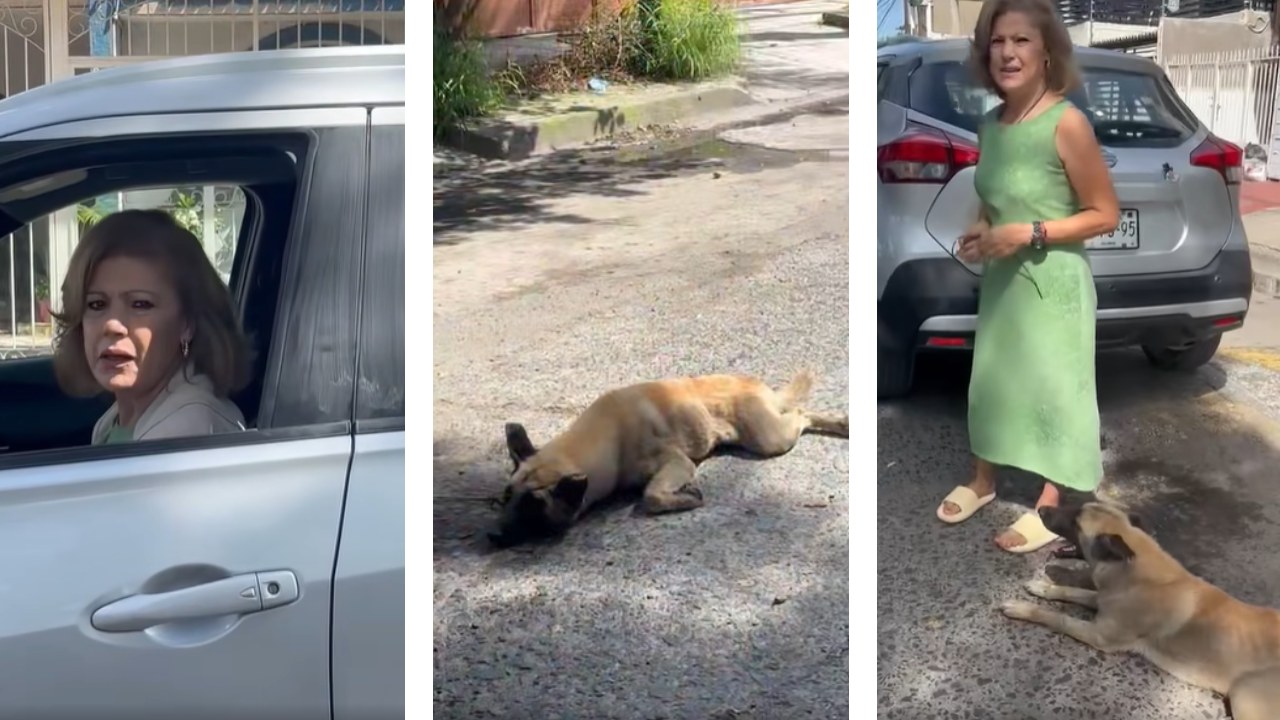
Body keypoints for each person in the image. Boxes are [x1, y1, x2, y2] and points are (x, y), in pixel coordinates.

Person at [934, 0, 1120, 552]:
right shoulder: (990, 125)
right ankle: (983, 482)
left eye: (1022, 41)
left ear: (1047, 54)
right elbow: (1000, 198)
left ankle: (1051, 503)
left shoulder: (1067, 123)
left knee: (1054, 391)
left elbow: (1104, 214)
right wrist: (984, 227)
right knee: (991, 381)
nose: (1008, 53)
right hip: (1004, 283)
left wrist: (1024, 233)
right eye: (997, 41)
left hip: (1055, 284)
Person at [52, 209, 253, 445]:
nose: (112, 325)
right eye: (96, 304)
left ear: (187, 323)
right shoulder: (118, 419)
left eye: (140, 304)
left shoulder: (186, 426)